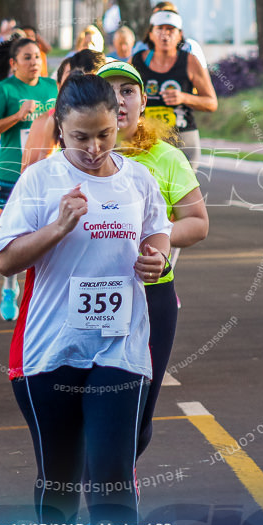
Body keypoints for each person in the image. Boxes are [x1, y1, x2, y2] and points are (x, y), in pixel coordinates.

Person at [0, 73, 171, 525]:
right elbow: (5, 262)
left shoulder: (138, 178)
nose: (94, 148)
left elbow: (158, 231)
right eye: (80, 137)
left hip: (121, 346)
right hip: (51, 348)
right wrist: (57, 228)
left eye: (104, 135)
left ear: (119, 123)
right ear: (58, 127)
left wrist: (157, 259)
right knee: (60, 481)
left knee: (113, 478)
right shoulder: (40, 179)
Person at [99, 60, 209, 455]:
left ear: (143, 101)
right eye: (109, 92)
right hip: (87, 296)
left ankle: (118, 479)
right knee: (89, 409)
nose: (119, 100)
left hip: (151, 295)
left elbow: (197, 221)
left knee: (140, 413)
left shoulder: (165, 158)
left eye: (128, 92)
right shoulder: (73, 158)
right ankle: (103, 489)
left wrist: (156, 241)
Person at [0, 38, 59, 320]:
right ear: (13, 63)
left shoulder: (52, 87)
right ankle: (9, 287)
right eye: (27, 57)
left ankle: (40, 293)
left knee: (46, 236)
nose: (34, 62)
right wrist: (18, 115)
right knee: (19, 235)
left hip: (46, 177)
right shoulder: (4, 89)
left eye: (37, 56)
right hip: (10, 175)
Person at [131, 9, 219, 169]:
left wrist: (184, 98)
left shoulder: (190, 61)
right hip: (145, 139)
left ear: (180, 34)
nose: (165, 35)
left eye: (171, 30)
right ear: (151, 34)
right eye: (160, 29)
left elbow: (211, 102)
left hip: (182, 139)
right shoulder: (137, 61)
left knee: (182, 192)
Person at [21, 49, 107, 173]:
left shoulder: (115, 118)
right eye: (72, 80)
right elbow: (28, 176)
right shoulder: (50, 121)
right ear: (59, 85)